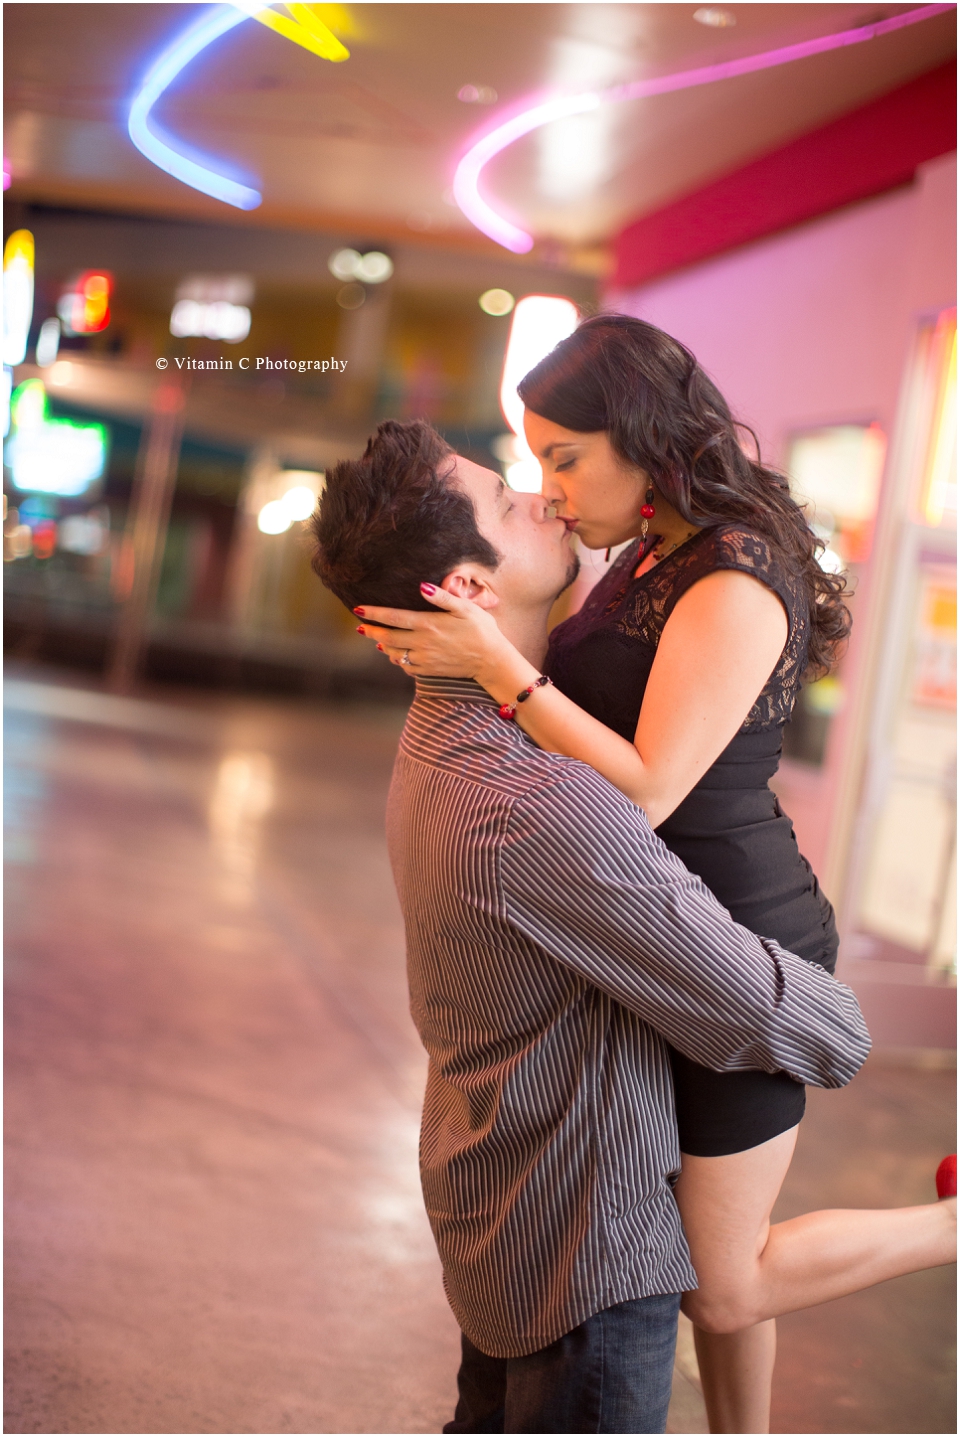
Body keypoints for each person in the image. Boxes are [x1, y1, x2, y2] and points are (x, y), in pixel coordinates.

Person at [350, 321, 958, 1434]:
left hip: (737, 930)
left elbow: (645, 795)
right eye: (533, 467)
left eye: (565, 458)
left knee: (722, 1283)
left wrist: (498, 666)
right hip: (643, 926)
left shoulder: (733, 575)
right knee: (707, 1260)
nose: (553, 488)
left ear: (642, 436)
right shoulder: (646, 547)